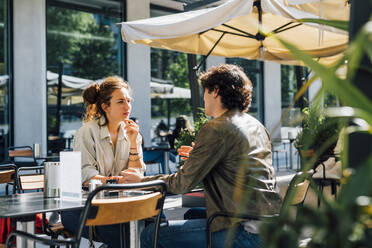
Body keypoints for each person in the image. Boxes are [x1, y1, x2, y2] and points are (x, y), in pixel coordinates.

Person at [121, 64, 282, 248]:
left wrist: (141, 181)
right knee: (192, 214)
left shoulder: (217, 128)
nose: (203, 97)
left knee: (151, 235)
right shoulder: (256, 125)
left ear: (215, 91)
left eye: (204, 91)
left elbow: (182, 184)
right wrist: (201, 157)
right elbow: (238, 163)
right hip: (268, 225)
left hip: (242, 231)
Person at [61, 76, 145, 248]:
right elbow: (85, 177)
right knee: (127, 234)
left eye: (129, 101)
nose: (127, 106)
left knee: (155, 223)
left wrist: (135, 144)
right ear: (105, 106)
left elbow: (138, 175)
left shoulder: (131, 133)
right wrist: (117, 181)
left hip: (118, 205)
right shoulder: (86, 133)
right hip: (82, 209)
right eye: (121, 101)